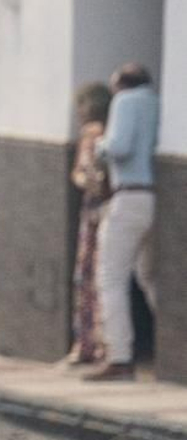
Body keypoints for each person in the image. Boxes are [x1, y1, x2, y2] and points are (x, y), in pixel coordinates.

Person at [86, 62, 160, 382]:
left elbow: (118, 147)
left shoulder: (125, 102)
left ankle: (120, 358)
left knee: (111, 277)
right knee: (150, 276)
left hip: (127, 196)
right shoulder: (158, 102)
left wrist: (98, 146)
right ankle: (174, 344)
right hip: (156, 197)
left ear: (121, 85)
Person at [66, 81, 112, 367]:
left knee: (93, 278)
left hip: (99, 208)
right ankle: (95, 344)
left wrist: (89, 182)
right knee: (95, 277)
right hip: (101, 207)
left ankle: (90, 345)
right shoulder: (100, 134)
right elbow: (81, 173)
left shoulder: (98, 135)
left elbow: (83, 173)